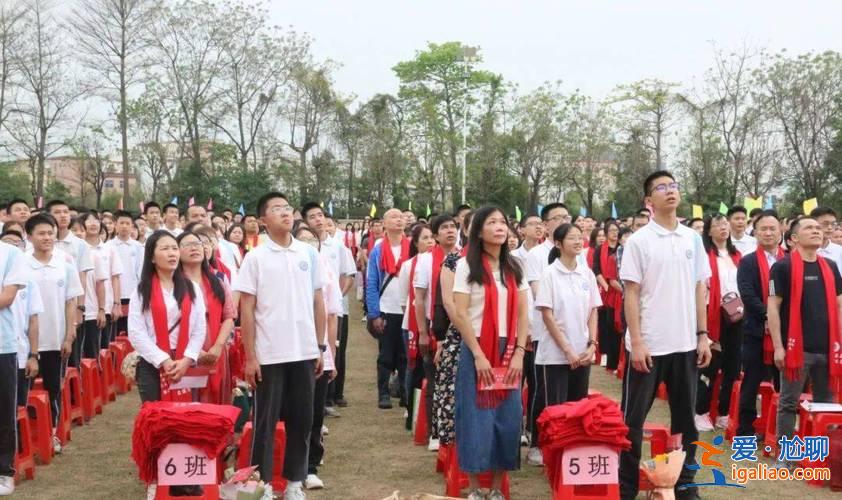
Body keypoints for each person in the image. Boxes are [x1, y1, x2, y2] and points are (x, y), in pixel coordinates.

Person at [619, 171, 712, 500]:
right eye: (662, 187)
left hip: (686, 344)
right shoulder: (639, 242)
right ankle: (626, 489)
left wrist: (702, 335)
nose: (670, 191)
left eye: (673, 186)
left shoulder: (692, 239)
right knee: (631, 422)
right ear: (649, 201)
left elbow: (701, 288)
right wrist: (638, 341)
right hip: (650, 346)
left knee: (687, 422)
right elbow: (630, 294)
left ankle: (685, 485)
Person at [233, 192, 326, 500]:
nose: (285, 214)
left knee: (302, 420)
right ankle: (265, 484)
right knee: (265, 422)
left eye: (287, 208)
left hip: (304, 351)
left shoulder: (308, 253)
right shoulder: (256, 257)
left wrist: (321, 346)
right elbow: (246, 308)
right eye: (277, 210)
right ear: (263, 220)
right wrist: (250, 355)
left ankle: (295, 483)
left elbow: (318, 301)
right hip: (269, 354)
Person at [450, 206, 529, 500]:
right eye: (492, 222)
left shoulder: (515, 267)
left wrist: (520, 351)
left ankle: (496, 488)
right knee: (475, 416)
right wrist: (478, 354)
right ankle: (474, 489)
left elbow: (523, 313)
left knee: (507, 417)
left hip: (509, 349)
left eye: (503, 221)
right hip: (477, 346)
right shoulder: (466, 266)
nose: (500, 226)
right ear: (478, 231)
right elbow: (460, 312)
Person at [768, 216, 842, 468]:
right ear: (794, 238)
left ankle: (821, 456)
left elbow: (839, 306)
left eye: (819, 228)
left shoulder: (831, 266)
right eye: (810, 228)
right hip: (796, 349)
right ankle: (785, 456)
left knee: (826, 405)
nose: (817, 231)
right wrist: (778, 346)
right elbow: (773, 308)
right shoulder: (783, 267)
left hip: (828, 348)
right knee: (789, 403)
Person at [25, 213, 84, 455]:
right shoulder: (21, 263)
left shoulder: (65, 264)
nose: (47, 237)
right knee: (24, 392)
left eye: (50, 233)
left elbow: (71, 301)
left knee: (53, 389)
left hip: (56, 338)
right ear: (29, 237)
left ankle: (51, 434)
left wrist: (69, 335)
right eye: (41, 233)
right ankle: (25, 437)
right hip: (26, 342)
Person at [127, 231, 206, 405]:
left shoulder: (191, 287)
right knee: (157, 419)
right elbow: (136, 332)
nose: (172, 253)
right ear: (152, 258)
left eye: (174, 248)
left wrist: (187, 359)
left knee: (185, 418)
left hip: (185, 362)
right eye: (165, 249)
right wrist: (163, 360)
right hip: (152, 364)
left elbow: (199, 327)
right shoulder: (141, 291)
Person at [291, 226, 341, 491]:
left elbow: (332, 316)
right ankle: (289, 467)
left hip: (317, 351)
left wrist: (328, 350)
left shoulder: (326, 272)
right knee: (291, 411)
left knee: (313, 413)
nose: (308, 243)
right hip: (288, 352)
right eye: (302, 239)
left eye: (313, 239)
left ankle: (310, 466)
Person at [523, 202, 571, 466]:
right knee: (542, 390)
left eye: (567, 216)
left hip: (574, 335)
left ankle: (567, 442)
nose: (564, 220)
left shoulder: (579, 252)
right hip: (545, 332)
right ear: (546, 225)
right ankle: (537, 443)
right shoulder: (537, 255)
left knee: (571, 393)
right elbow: (537, 293)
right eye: (558, 217)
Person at [535, 223, 601, 407]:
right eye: (572, 238)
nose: (578, 241)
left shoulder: (586, 274)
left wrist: (592, 345)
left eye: (580, 237)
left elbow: (593, 311)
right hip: (556, 355)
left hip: (582, 353)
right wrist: (567, 350)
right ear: (558, 244)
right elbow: (547, 315)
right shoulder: (549, 274)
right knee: (556, 411)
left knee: (579, 409)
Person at [300, 203, 356, 413]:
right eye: (312, 216)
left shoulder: (338, 246)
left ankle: (331, 396)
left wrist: (335, 296)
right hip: (310, 308)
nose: (318, 220)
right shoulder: (303, 248)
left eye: (320, 215)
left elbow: (347, 274)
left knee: (334, 350)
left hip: (333, 306)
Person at [414, 215, 460, 451]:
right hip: (437, 325)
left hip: (460, 325)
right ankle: (435, 431)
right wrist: (422, 331)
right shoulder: (425, 261)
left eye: (453, 227)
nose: (450, 231)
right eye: (444, 228)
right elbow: (419, 299)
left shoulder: (464, 257)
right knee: (435, 379)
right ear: (435, 235)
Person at [736, 210, 783, 438]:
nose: (768, 232)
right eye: (763, 228)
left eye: (772, 228)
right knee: (752, 382)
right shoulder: (748, 261)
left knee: (784, 383)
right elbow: (747, 293)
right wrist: (769, 315)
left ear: (781, 231)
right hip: (756, 330)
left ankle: (780, 431)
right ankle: (745, 430)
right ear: (755, 232)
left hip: (786, 333)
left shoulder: (790, 260)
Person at [695, 214, 743, 432]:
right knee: (710, 365)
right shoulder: (704, 256)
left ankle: (724, 412)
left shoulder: (737, 255)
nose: (723, 228)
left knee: (732, 366)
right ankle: (701, 410)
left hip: (736, 316)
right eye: (717, 225)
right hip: (712, 315)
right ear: (709, 231)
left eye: (725, 224)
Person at [365, 208, 409, 409]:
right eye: (393, 217)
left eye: (401, 217)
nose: (398, 220)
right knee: (386, 355)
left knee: (406, 355)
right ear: (384, 223)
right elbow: (372, 282)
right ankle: (383, 393)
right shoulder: (378, 250)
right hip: (387, 308)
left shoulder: (412, 247)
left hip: (407, 309)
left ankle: (404, 391)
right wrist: (374, 313)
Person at [0, 230, 30, 497]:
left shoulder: (10, 254)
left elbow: (6, 297)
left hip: (2, 345)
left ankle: (3, 470)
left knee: (3, 411)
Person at [398, 223, 434, 430]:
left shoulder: (442, 261)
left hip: (433, 322)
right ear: (416, 242)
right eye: (425, 238)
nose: (429, 242)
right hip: (412, 324)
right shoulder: (408, 265)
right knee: (414, 367)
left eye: (431, 238)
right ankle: (411, 408)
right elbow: (405, 299)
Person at [77, 212, 111, 360]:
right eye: (74, 230)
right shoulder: (62, 255)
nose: (78, 233)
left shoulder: (94, 255)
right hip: (70, 313)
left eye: (80, 230)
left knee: (91, 355)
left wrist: (102, 309)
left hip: (91, 310)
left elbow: (100, 285)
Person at [593, 221, 623, 372]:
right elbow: (596, 269)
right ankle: (605, 355)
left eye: (616, 230)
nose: (614, 233)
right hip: (605, 290)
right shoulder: (600, 249)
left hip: (619, 291)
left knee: (617, 327)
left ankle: (616, 360)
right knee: (606, 325)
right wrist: (606, 285)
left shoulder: (621, 249)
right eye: (611, 230)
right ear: (605, 233)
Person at [110, 211, 144, 339]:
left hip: (133, 295)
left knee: (132, 332)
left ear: (132, 226)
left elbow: (141, 272)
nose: (124, 226)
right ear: (115, 225)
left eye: (127, 223)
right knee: (115, 334)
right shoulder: (108, 246)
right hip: (114, 296)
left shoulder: (138, 247)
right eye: (121, 223)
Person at [810, 207, 842, 271]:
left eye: (833, 224)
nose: (830, 227)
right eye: (825, 224)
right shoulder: (806, 250)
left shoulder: (839, 250)